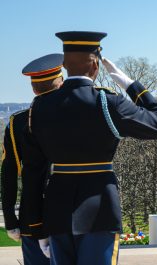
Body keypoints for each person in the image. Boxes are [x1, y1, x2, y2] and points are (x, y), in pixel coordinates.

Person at [21, 31, 157, 265]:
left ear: (64, 65)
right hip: (100, 212)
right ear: (95, 65)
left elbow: (33, 172)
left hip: (57, 212)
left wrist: (37, 226)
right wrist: (132, 86)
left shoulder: (39, 107)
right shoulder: (108, 102)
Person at [1, 53, 64, 265]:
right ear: (61, 81)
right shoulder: (77, 115)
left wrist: (10, 217)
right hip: (72, 211)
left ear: (33, 88)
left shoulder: (17, 122)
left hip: (32, 216)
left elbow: (8, 172)